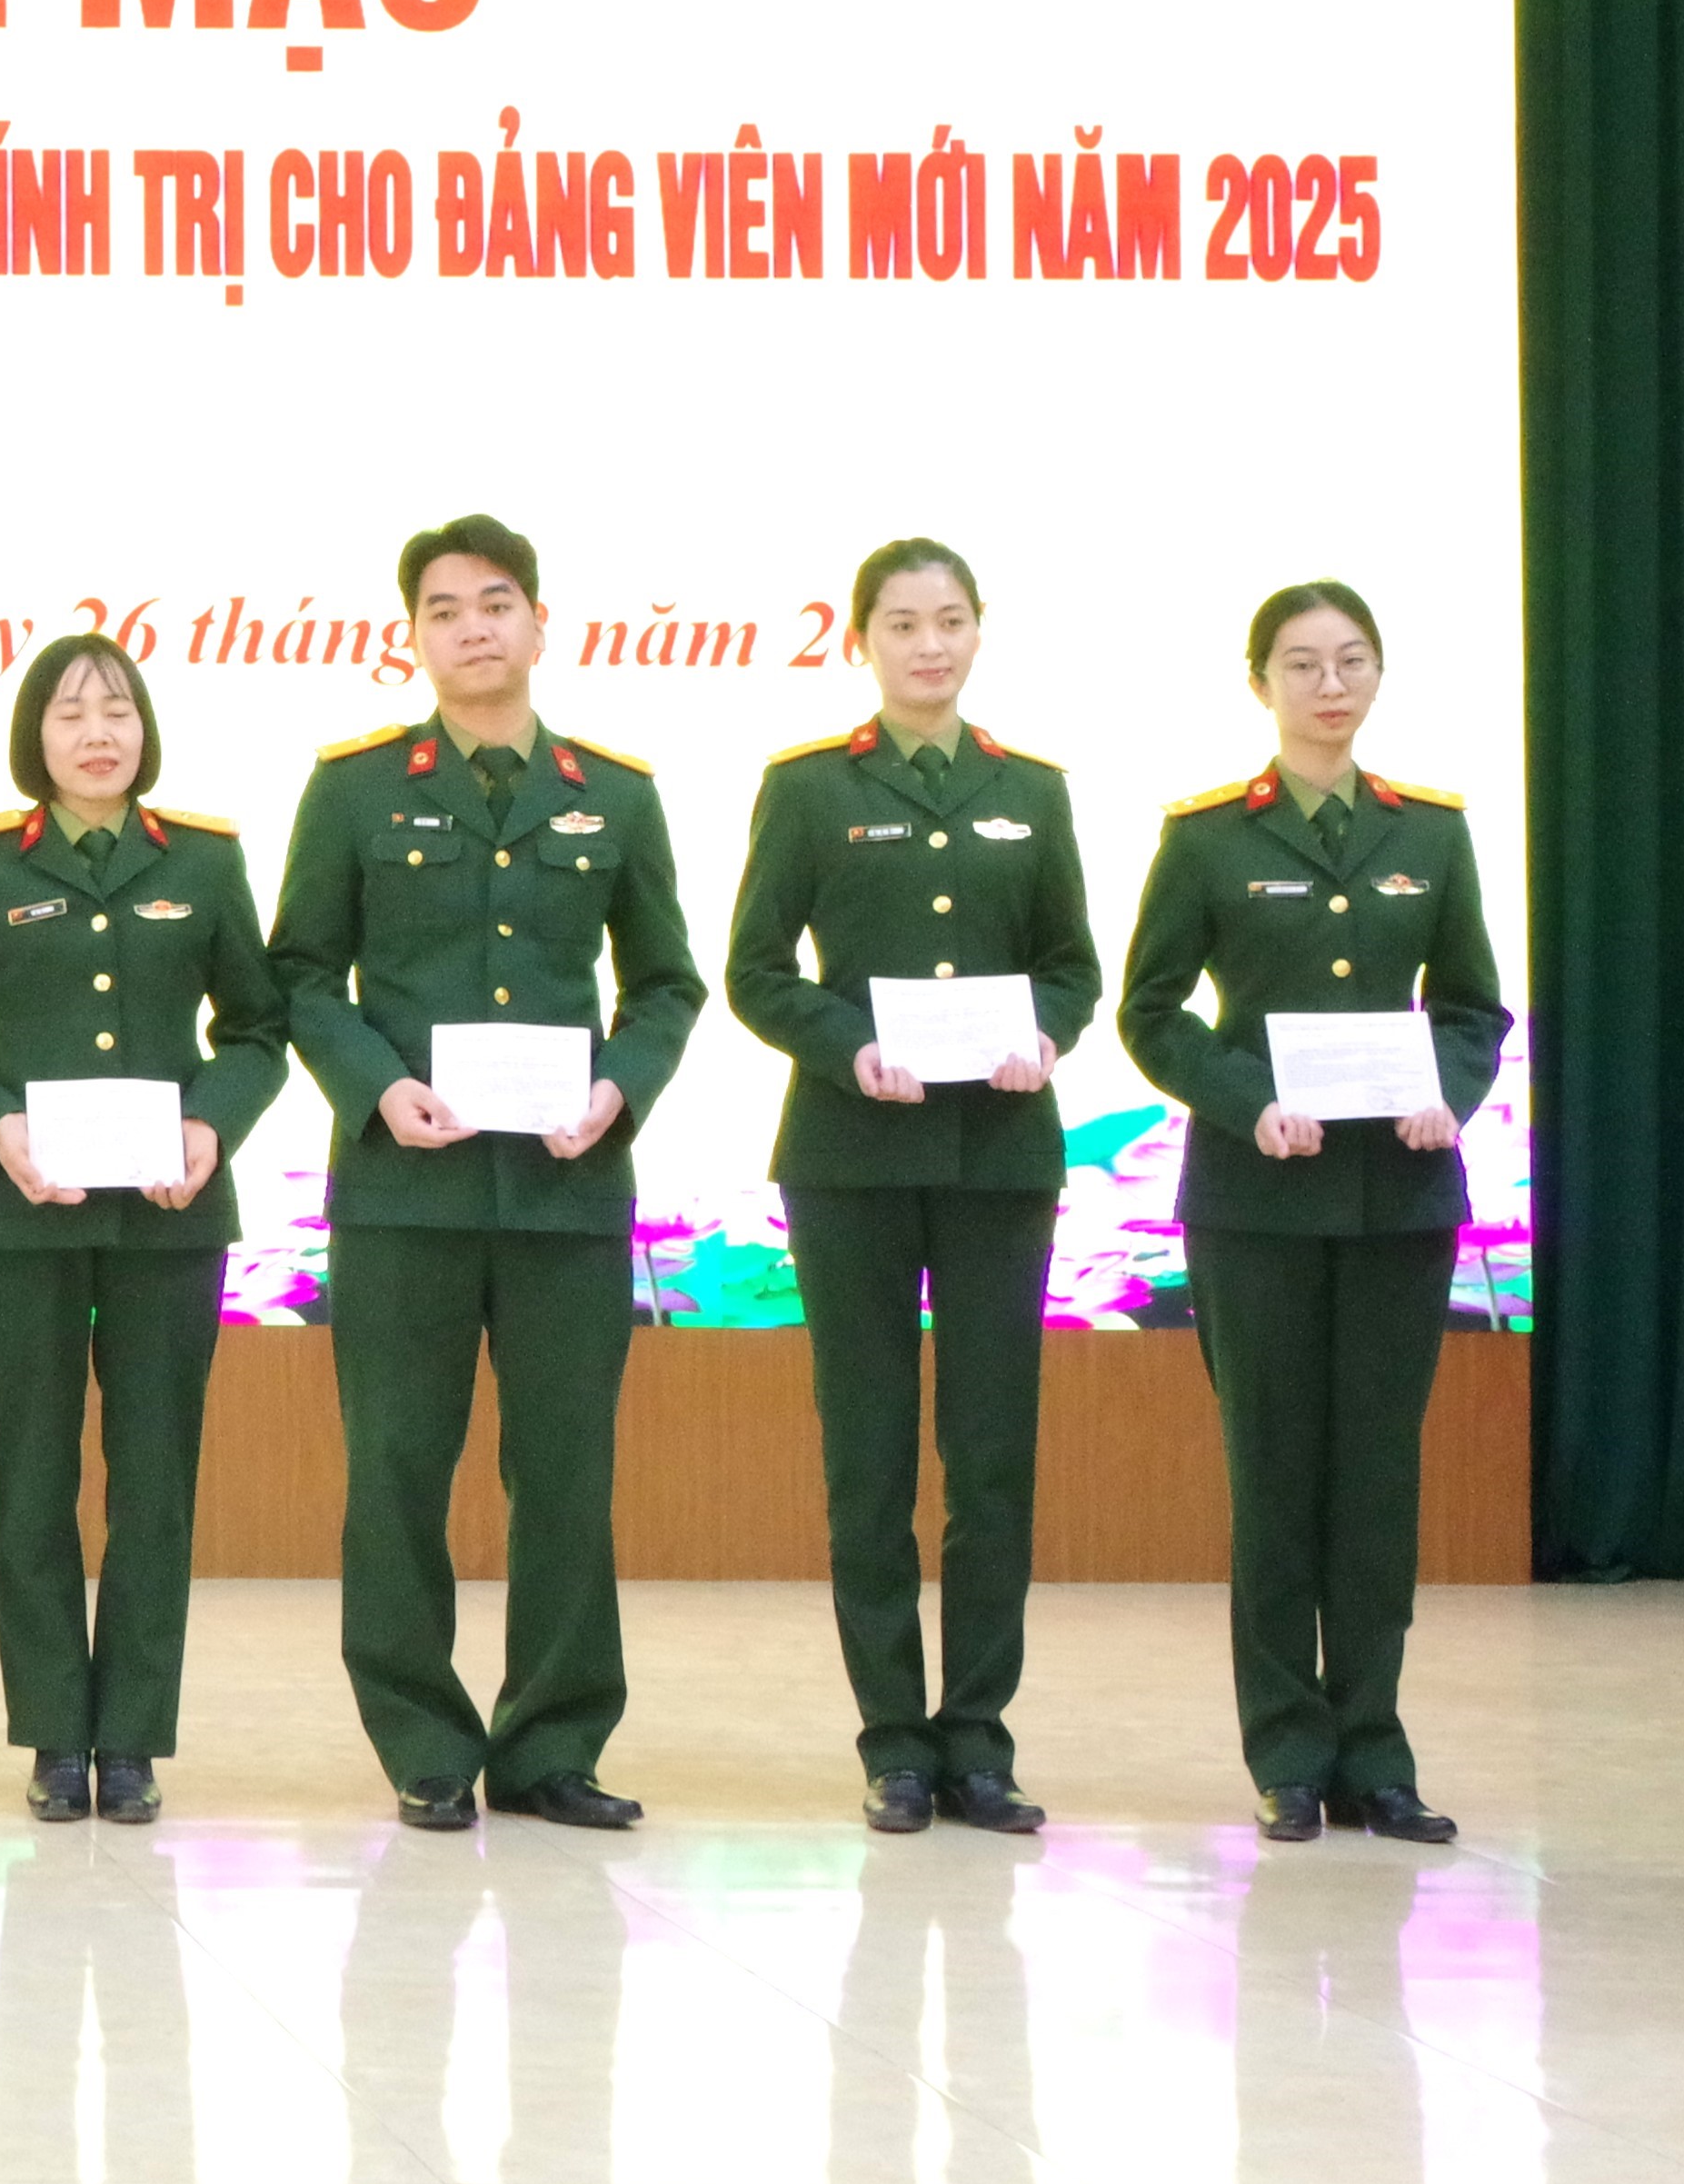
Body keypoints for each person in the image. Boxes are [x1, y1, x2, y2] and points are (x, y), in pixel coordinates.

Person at [269, 514, 702, 1831]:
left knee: (565, 1477)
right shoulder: (356, 788)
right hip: (406, 1190)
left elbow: (667, 982)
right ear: (412, 635)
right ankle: (422, 1740)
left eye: (497, 602)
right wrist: (374, 1085)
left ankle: (553, 1743)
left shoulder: (614, 792)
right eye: (445, 608)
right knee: (398, 1469)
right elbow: (301, 973)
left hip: (568, 1191)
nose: (473, 627)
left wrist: (621, 1086)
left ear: (538, 622)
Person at [1120, 579, 1507, 1845]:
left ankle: (1376, 1754)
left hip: (1399, 1198)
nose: (1328, 684)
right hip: (1258, 1202)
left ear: (1378, 674)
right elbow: (1151, 1010)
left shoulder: (1429, 832)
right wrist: (1247, 1102)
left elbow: (1471, 1007)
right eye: (1301, 663)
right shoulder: (1208, 836)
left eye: (1350, 660)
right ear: (1260, 683)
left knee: (1378, 1481)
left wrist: (1446, 1093)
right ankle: (1289, 1752)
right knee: (1276, 1475)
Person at [724, 537, 1099, 1835]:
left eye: (948, 620)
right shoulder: (809, 789)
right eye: (900, 623)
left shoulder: (1031, 791)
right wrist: (849, 1048)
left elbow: (1072, 965)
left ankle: (978, 1741)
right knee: (869, 1460)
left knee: (991, 1460)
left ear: (979, 630)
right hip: (853, 1158)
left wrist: (1045, 1033)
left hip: (1000, 1158)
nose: (927, 644)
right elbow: (756, 968)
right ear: (860, 640)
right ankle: (892, 1739)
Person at [0, 633, 285, 1825]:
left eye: (116, 709)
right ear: (36, 735)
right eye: (68, 713)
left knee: (155, 1481)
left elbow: (257, 1029)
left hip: (171, 1215)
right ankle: (57, 1734)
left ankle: (135, 1737)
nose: (96, 732)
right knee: (33, 1478)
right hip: (23, 1216)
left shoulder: (204, 859)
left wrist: (212, 1123)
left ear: (144, 728)